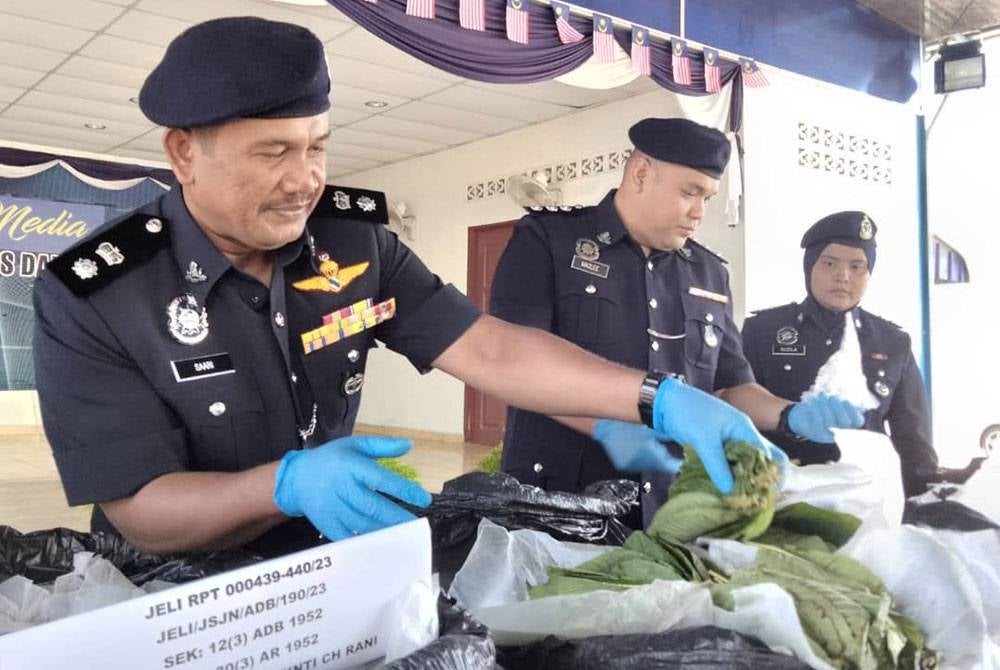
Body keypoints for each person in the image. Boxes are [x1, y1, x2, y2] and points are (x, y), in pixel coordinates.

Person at [34, 17, 781, 558]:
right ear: (183, 153)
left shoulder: (354, 245)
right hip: (174, 591)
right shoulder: (99, 293)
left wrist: (660, 396)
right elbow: (141, 512)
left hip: (335, 556)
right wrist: (283, 486)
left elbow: (490, 348)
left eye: (318, 146)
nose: (306, 180)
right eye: (272, 153)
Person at [490, 117, 863, 524]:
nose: (700, 212)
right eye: (690, 192)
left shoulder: (710, 273)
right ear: (641, 173)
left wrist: (789, 415)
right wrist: (606, 426)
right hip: (557, 504)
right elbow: (516, 365)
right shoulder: (548, 242)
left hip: (670, 511)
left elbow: (729, 384)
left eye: (709, 197)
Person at [741, 211, 939, 496]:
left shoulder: (894, 342)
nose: (843, 277)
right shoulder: (763, 331)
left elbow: (915, 447)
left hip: (865, 504)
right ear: (810, 267)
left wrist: (923, 510)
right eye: (829, 263)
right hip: (780, 499)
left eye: (857, 266)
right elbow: (736, 413)